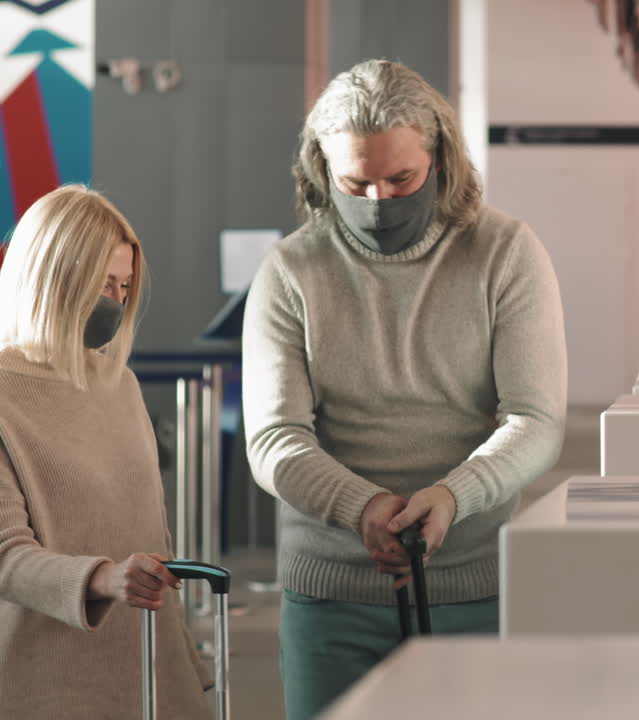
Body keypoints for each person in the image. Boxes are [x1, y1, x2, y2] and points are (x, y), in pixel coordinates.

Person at [243, 59, 567, 719]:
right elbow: (275, 437)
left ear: (442, 160)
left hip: (473, 588)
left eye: (401, 179)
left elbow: (535, 418)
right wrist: (362, 508)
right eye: (354, 182)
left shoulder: (505, 253)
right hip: (332, 598)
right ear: (319, 171)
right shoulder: (291, 271)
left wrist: (454, 495)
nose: (378, 202)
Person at [0, 185, 211, 717]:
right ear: (53, 280)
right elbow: (5, 557)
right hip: (47, 683)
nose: (113, 303)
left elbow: (149, 533)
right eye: (101, 285)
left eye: (123, 287)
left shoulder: (121, 384)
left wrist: (185, 659)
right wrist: (104, 577)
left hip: (151, 672)